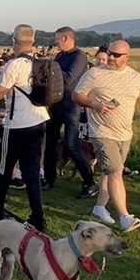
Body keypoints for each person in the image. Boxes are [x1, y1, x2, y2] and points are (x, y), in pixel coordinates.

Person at [73, 40, 140, 233]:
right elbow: (77, 96)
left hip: (125, 133)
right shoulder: (94, 73)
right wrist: (95, 105)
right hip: (101, 132)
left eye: (116, 55)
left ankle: (99, 207)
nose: (111, 57)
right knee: (116, 172)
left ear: (127, 56)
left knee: (109, 172)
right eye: (110, 53)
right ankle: (125, 217)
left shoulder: (135, 78)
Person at [0, 24, 49, 231]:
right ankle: (37, 216)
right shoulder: (39, 62)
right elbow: (13, 81)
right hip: (38, 120)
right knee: (31, 172)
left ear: (14, 41)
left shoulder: (15, 64)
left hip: (17, 125)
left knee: (4, 169)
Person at [42, 27, 95, 198]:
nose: (55, 42)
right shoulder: (60, 56)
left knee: (72, 145)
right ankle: (49, 178)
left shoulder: (79, 56)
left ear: (65, 38)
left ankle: (88, 181)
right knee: (50, 145)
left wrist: (51, 69)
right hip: (55, 105)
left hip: (71, 106)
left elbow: (68, 77)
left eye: (57, 38)